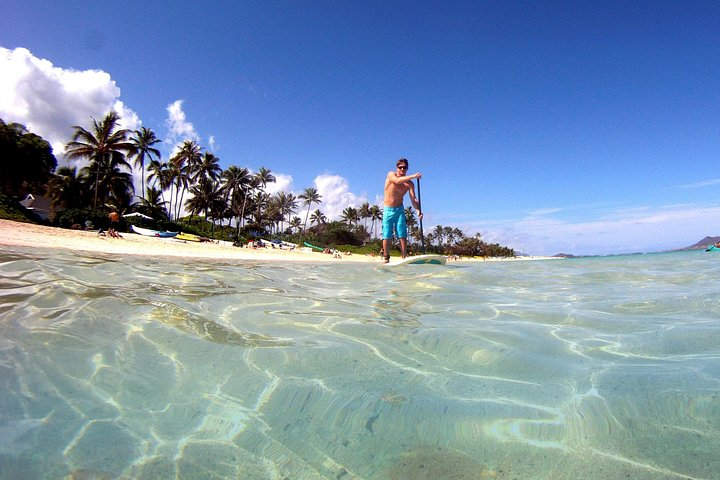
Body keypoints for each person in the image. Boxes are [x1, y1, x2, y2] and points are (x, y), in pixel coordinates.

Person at [382, 158, 422, 263]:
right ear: (397, 168)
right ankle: (386, 258)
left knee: (402, 235)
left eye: (404, 168)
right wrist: (413, 176)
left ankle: (404, 257)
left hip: (400, 209)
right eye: (400, 167)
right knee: (387, 235)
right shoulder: (391, 174)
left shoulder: (409, 184)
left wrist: (418, 211)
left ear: (407, 168)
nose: (402, 169)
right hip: (388, 209)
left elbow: (413, 199)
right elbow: (396, 181)